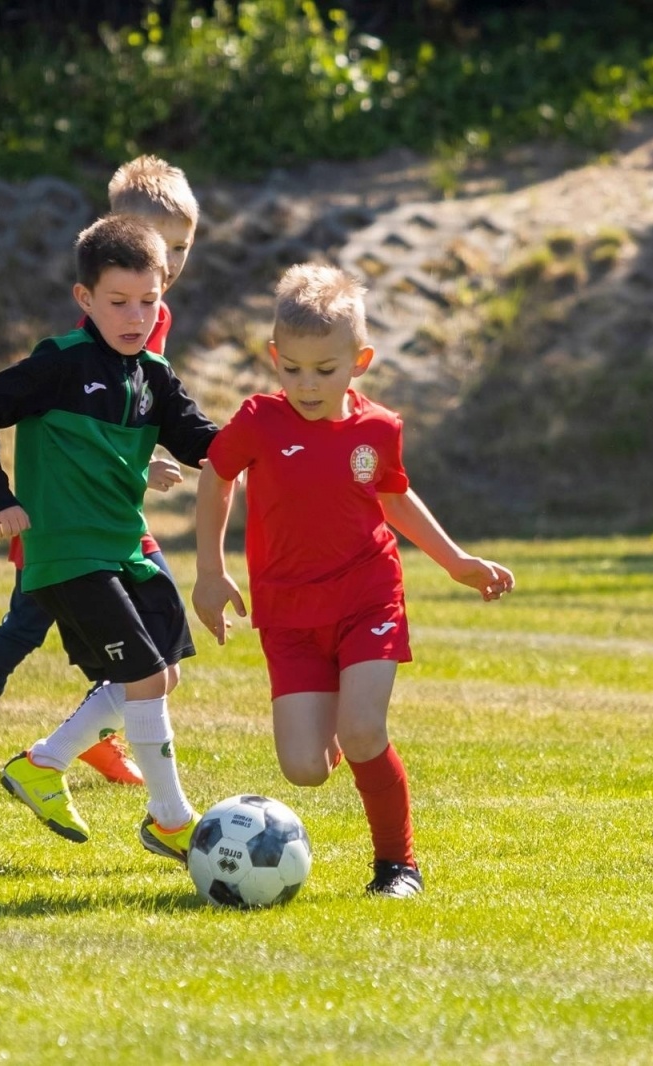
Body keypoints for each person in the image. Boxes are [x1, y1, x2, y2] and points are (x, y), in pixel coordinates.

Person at [192, 264, 515, 898]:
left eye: (325, 369)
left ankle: (397, 866)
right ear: (273, 358)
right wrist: (209, 570)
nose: (307, 385)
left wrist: (454, 561)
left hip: (367, 595)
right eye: (293, 369)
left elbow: (394, 497)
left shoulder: (378, 430)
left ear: (359, 360)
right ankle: (338, 726)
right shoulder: (259, 421)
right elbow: (216, 476)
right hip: (288, 614)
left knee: (364, 732)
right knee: (304, 768)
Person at [0, 155, 201, 793]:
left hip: (108, 512)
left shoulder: (155, 313)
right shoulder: (94, 333)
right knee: (29, 624)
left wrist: (142, 454)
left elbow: (134, 408)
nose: (172, 261)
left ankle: (84, 737)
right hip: (62, 515)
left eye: (181, 247)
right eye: (159, 245)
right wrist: (5, 498)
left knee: (129, 626)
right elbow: (62, 412)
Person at [0, 215, 219, 862]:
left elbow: (205, 443)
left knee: (161, 677)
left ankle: (44, 764)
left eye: (149, 301)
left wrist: (277, 440)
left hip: (127, 550)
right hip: (70, 554)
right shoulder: (60, 365)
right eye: (118, 302)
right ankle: (170, 820)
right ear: (85, 299)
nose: (135, 316)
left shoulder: (152, 375)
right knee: (145, 675)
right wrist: (0, 498)